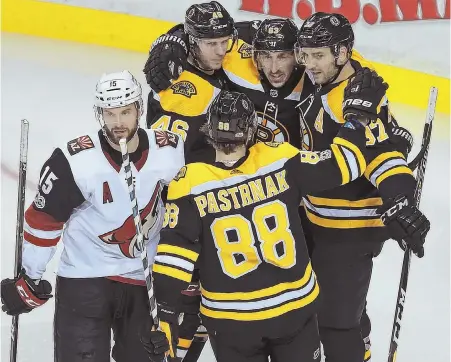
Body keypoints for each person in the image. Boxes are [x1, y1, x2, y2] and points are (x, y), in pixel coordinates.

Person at [138, 74, 393, 362]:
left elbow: (175, 257)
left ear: (209, 132)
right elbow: (345, 164)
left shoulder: (190, 180)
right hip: (294, 310)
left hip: (230, 320)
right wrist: (357, 119)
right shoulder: (281, 159)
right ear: (251, 131)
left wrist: (166, 315)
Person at [0, 70, 185, 362]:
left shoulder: (171, 150)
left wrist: (187, 273)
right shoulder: (74, 160)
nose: (119, 123)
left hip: (144, 279)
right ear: (99, 113)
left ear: (139, 109)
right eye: (110, 113)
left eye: (125, 111)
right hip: (85, 278)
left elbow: (189, 212)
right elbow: (44, 221)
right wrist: (30, 278)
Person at [294, 12, 431, 362]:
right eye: (305, 54)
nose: (309, 64)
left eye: (318, 55)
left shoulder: (356, 100)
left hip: (348, 230)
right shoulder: (339, 75)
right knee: (334, 309)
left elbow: (383, 159)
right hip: (317, 220)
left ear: (342, 54)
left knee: (336, 325)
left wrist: (400, 200)